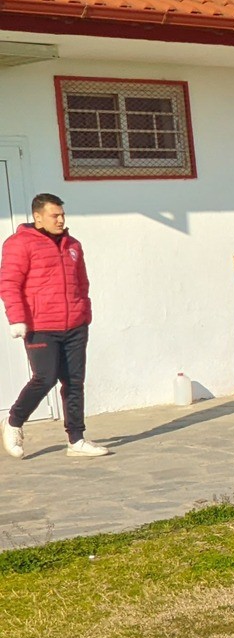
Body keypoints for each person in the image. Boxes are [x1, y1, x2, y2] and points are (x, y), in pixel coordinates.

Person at [2, 194, 105, 459]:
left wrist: (84, 313)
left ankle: (76, 440)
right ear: (38, 217)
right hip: (41, 326)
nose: (60, 220)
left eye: (62, 215)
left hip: (75, 326)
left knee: (74, 382)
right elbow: (9, 284)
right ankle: (13, 421)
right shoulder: (19, 243)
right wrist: (17, 319)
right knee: (45, 378)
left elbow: (82, 283)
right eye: (54, 215)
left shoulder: (73, 245)